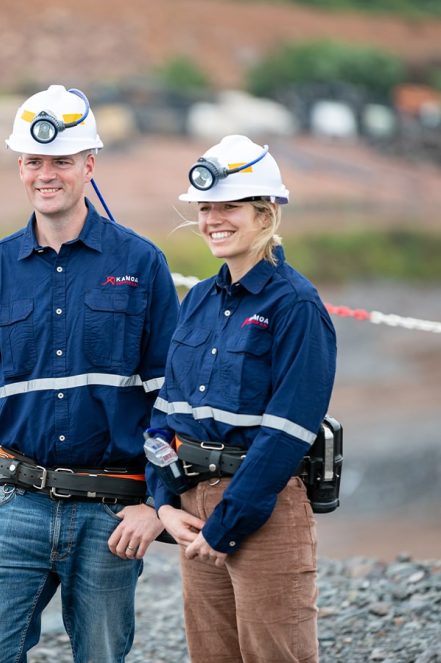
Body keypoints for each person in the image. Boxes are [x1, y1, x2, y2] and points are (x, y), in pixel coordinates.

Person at [0, 84, 180, 663]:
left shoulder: (141, 263)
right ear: (20, 167)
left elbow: (172, 402)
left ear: (89, 165)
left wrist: (158, 502)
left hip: (112, 512)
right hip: (14, 504)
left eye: (62, 161)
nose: (47, 174)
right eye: (33, 161)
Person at [146, 134, 337, 663]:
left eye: (227, 206)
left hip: (264, 510)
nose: (212, 220)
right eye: (205, 208)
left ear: (266, 212)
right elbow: (166, 413)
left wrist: (230, 521)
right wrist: (163, 500)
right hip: (191, 508)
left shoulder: (296, 305)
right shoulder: (200, 298)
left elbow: (290, 428)